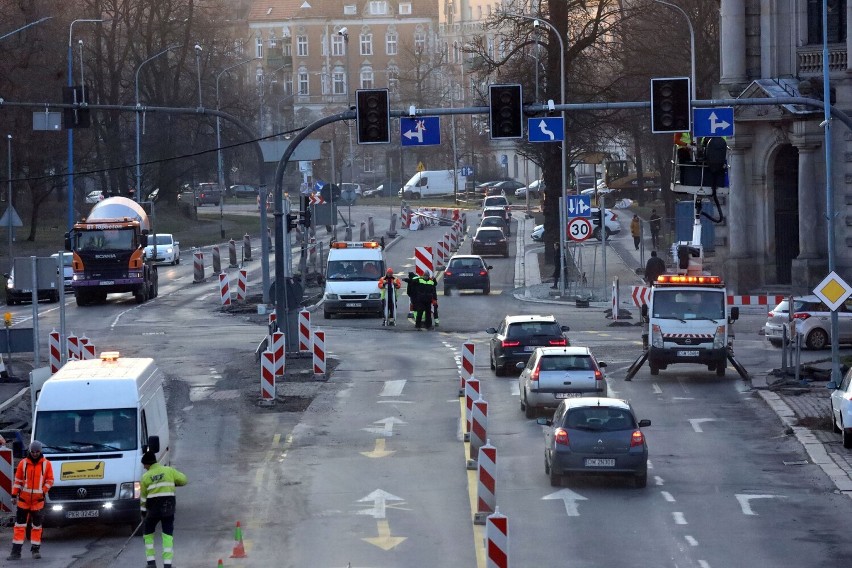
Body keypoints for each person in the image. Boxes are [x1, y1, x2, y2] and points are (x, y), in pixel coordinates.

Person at [140, 450, 188, 568]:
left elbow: (143, 497)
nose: (144, 467)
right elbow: (184, 480)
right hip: (168, 508)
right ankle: (167, 565)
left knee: (148, 534)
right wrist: (172, 483)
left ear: (147, 464)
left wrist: (143, 512)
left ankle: (151, 563)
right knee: (167, 535)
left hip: (153, 511)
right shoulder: (169, 471)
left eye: (144, 465)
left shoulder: (145, 477)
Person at [8, 441, 54, 561]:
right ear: (29, 451)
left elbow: (50, 480)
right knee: (19, 526)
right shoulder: (23, 464)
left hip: (38, 501)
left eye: (37, 452)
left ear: (40, 451)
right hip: (24, 500)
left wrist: (43, 491)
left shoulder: (46, 464)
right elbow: (17, 481)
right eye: (32, 452)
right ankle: (15, 552)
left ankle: (35, 550)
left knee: (37, 527)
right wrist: (14, 495)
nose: (34, 454)